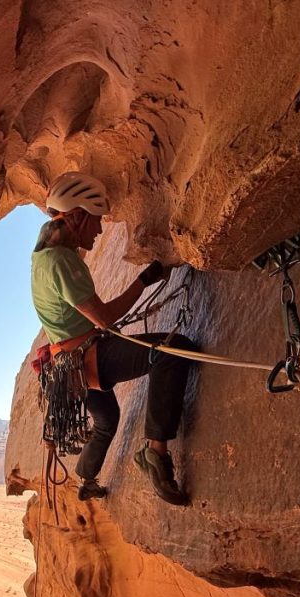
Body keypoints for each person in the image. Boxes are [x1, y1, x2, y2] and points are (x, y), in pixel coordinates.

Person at [30, 171, 196, 506]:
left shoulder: (43, 256)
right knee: (172, 350)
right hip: (85, 357)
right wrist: (144, 280)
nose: (100, 228)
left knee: (106, 420)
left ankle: (86, 479)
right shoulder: (62, 260)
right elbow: (103, 317)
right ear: (76, 217)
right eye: (95, 220)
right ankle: (155, 454)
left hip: (66, 366)